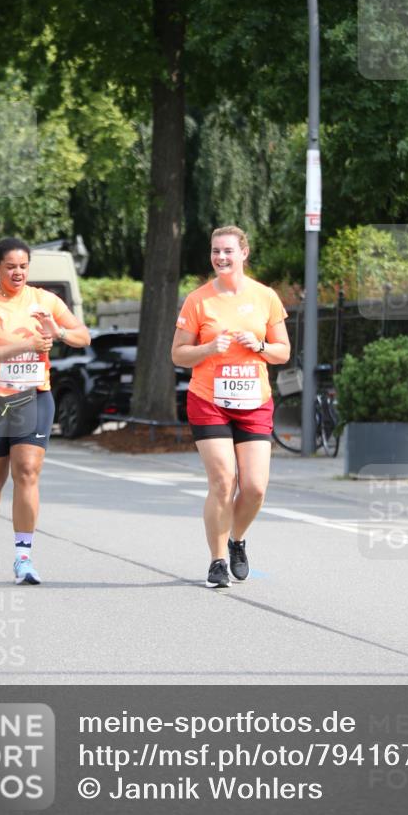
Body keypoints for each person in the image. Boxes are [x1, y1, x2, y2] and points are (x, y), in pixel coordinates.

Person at [0, 237, 90, 584]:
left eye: (23, 266)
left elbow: (84, 336)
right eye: (10, 267)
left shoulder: (44, 300)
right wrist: (25, 344)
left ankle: (23, 558)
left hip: (33, 397)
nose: (17, 272)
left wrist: (58, 331)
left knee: (28, 471)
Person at [171, 226, 291, 588]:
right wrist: (208, 349)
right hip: (209, 399)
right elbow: (177, 354)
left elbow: (283, 351)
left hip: (254, 400)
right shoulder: (198, 300)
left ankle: (237, 540)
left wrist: (258, 345)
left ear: (244, 253)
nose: (220, 258)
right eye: (215, 251)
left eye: (227, 251)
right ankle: (218, 559)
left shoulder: (265, 297)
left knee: (254, 487)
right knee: (224, 480)